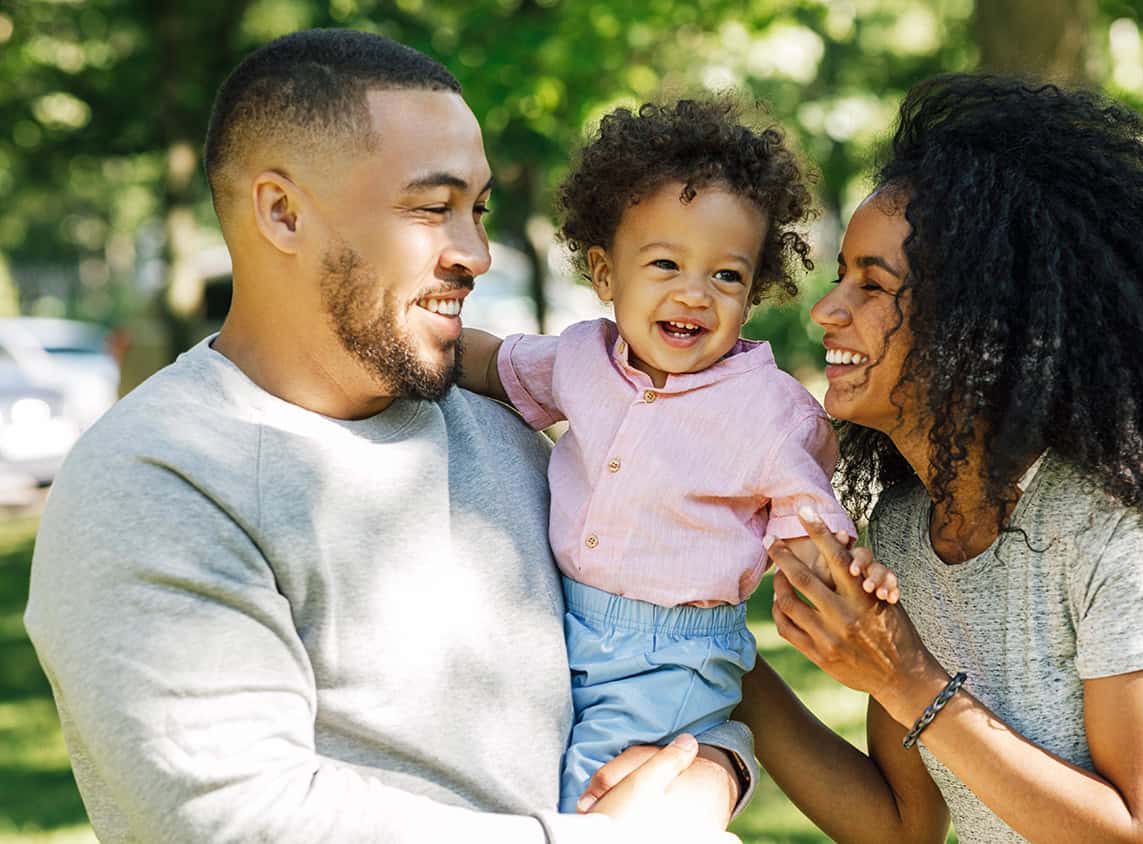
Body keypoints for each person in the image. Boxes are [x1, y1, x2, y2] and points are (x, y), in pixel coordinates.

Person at [24, 29, 752, 843]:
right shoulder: (158, 479)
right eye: (432, 208)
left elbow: (653, 659)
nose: (475, 253)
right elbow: (240, 821)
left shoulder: (505, 434)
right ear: (283, 211)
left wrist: (716, 770)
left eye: (477, 211)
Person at [674, 74, 1143, 842]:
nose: (828, 310)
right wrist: (705, 638)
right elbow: (902, 827)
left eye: (873, 283)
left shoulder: (1115, 528)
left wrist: (905, 679)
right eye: (841, 276)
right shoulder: (904, 532)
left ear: (974, 321)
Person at [454, 99, 890, 816]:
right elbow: (492, 363)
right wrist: (406, 346)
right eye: (665, 263)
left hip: (670, 655)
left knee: (591, 799)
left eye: (727, 276)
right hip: (567, 623)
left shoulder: (769, 411)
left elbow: (807, 528)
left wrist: (848, 570)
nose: (695, 292)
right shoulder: (580, 360)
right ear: (604, 272)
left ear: (752, 294)